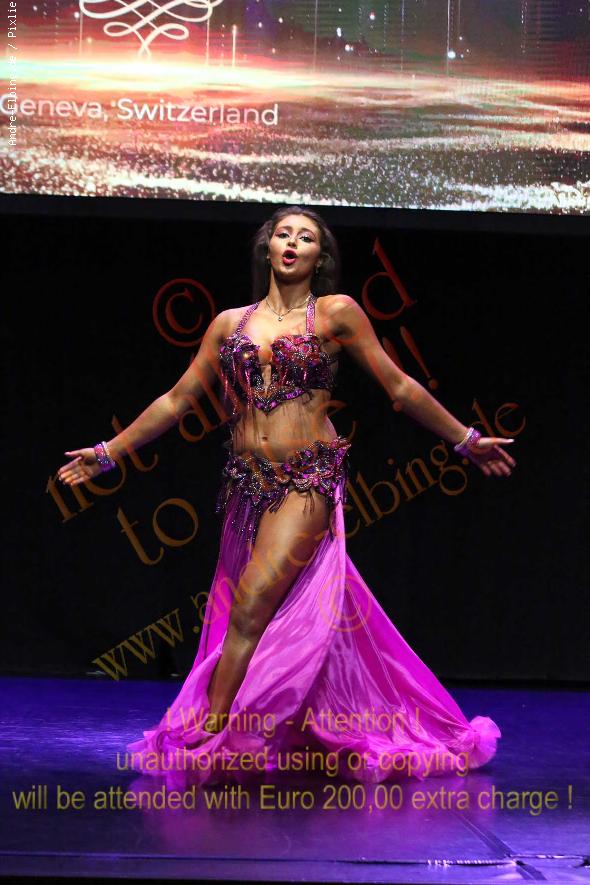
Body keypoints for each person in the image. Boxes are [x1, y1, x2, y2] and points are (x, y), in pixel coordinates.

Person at [57, 205, 515, 788]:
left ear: (319, 257)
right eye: (283, 234)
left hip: (307, 479)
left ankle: (213, 734)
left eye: (306, 237)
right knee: (245, 612)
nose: (292, 242)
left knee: (250, 605)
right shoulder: (229, 324)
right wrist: (109, 452)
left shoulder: (336, 312)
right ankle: (281, 724)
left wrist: (465, 439)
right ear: (268, 248)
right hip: (246, 486)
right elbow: (177, 400)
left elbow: (399, 386)